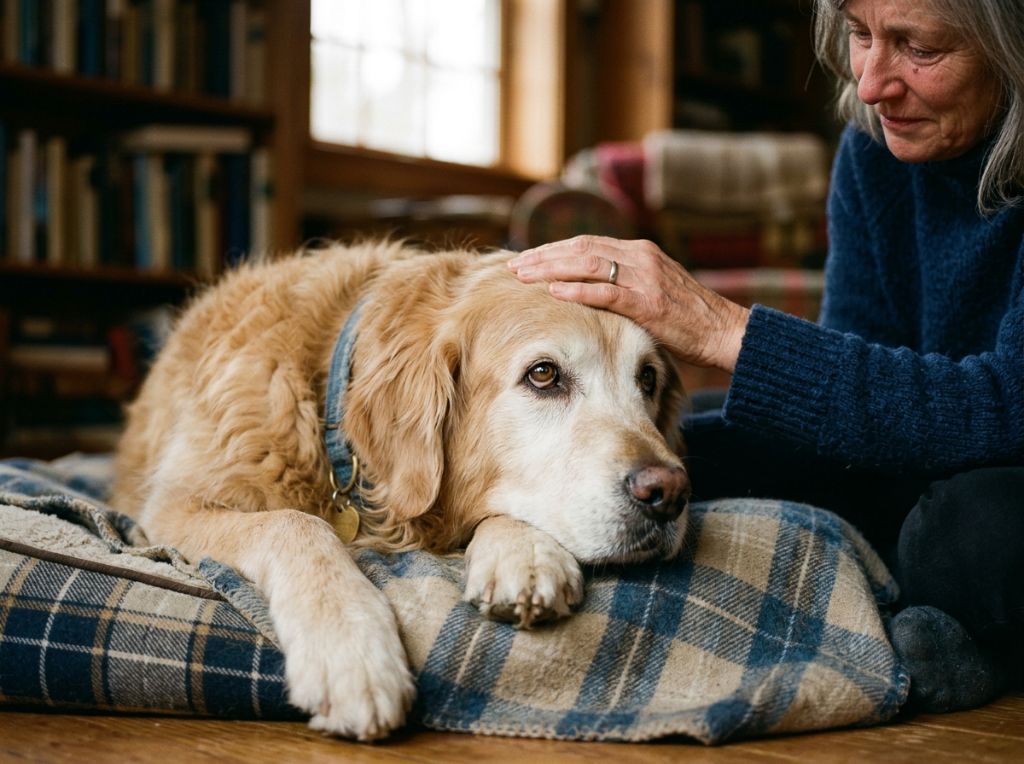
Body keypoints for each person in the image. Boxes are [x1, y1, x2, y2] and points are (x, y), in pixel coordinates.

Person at [508, 0, 1024, 714]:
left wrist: (724, 330)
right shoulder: (873, 151)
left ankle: (976, 634)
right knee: (683, 454)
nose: (872, 83)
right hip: (918, 459)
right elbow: (849, 406)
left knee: (973, 531)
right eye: (860, 35)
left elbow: (1008, 406)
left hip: (997, 477)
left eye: (919, 49)